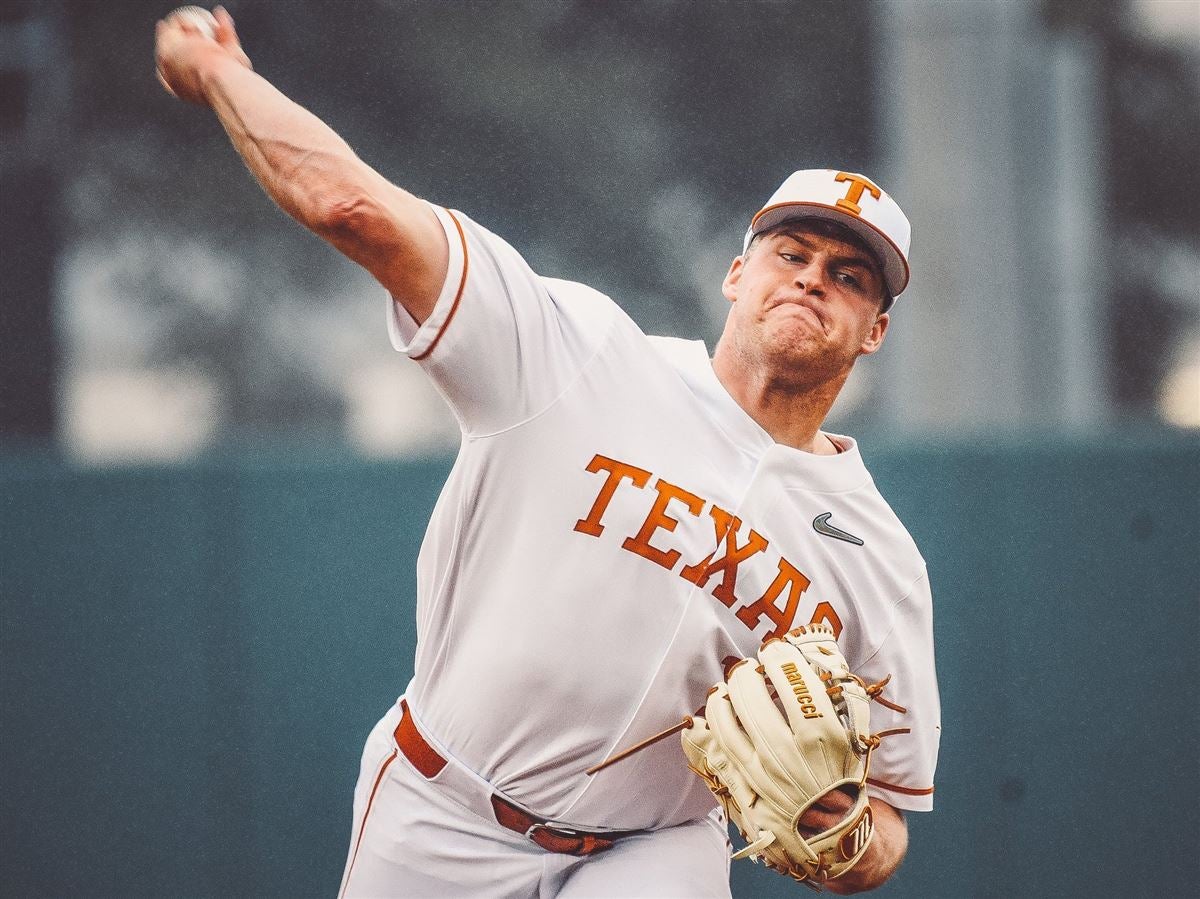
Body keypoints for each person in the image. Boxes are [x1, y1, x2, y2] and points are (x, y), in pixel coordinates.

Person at [156, 8, 939, 897]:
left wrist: (842, 835)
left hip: (654, 847)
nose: (812, 278)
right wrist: (223, 76)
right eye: (791, 252)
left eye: (849, 276)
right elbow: (354, 209)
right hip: (441, 808)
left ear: (874, 329)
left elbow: (887, 815)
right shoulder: (579, 352)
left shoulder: (879, 558)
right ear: (735, 274)